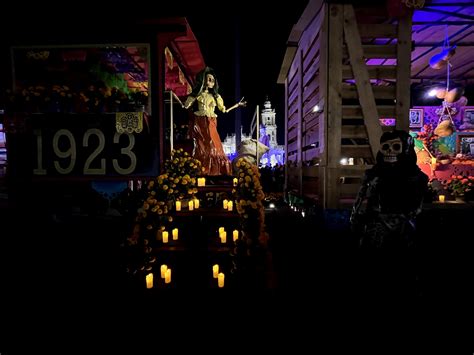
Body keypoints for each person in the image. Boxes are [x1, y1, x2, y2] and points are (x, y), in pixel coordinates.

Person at [350, 130, 428, 296]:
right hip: (376, 229)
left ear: (406, 149)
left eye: (396, 147)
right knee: (374, 267)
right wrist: (358, 217)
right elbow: (360, 199)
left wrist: (397, 219)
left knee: (400, 268)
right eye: (386, 147)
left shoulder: (417, 178)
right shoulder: (374, 174)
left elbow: (417, 207)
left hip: (400, 230)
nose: (390, 151)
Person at [182, 67, 246, 176]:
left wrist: (237, 105)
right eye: (209, 79)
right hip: (201, 121)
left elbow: (224, 110)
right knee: (202, 144)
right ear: (203, 80)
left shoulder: (216, 96)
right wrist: (187, 102)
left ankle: (214, 169)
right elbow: (186, 105)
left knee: (214, 143)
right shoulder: (198, 94)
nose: (211, 82)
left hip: (211, 121)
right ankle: (203, 168)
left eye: (212, 80)